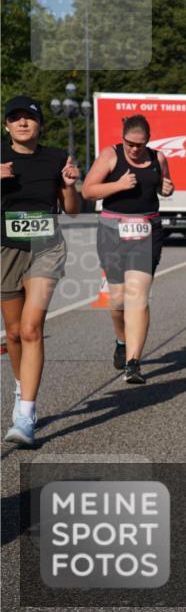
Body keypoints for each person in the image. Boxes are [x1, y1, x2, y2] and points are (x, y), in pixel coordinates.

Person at [2, 96, 81, 446]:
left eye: (29, 119)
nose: (22, 124)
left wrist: (70, 185)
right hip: (5, 250)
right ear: (6, 126)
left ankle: (26, 415)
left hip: (47, 248)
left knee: (32, 328)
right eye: (15, 119)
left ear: (39, 125)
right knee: (14, 333)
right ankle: (22, 389)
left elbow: (74, 210)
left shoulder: (56, 159)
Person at [83, 114, 175, 385]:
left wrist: (168, 188)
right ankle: (121, 341)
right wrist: (119, 185)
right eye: (130, 143)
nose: (134, 149)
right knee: (118, 300)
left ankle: (133, 362)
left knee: (138, 296)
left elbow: (165, 185)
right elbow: (88, 191)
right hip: (112, 231)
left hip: (147, 231)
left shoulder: (158, 158)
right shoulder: (110, 156)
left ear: (148, 140)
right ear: (122, 138)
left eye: (140, 144)